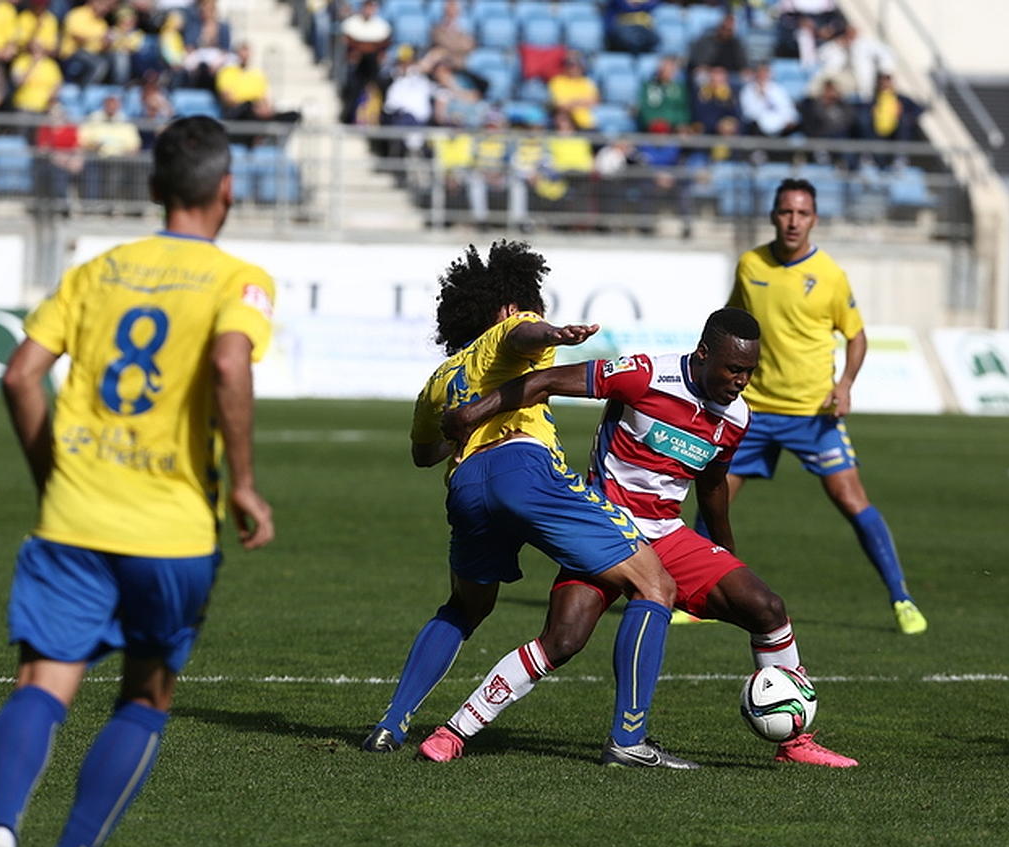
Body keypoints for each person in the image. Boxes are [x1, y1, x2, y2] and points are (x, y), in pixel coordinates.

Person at [0, 115, 276, 847]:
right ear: (226, 191)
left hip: (74, 517)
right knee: (145, 694)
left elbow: (17, 375)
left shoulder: (98, 270)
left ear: (153, 189)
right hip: (169, 529)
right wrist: (241, 481)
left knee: (42, 682)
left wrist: (51, 474)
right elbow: (231, 360)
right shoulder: (238, 279)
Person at [416, 308, 859, 768]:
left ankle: (794, 741)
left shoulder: (737, 416)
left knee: (766, 608)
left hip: (667, 534)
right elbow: (543, 381)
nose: (741, 381)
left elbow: (711, 485)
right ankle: (455, 731)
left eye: (749, 371)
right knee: (563, 640)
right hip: (602, 527)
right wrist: (474, 411)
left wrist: (725, 553)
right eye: (733, 369)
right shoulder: (643, 375)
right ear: (703, 354)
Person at [361, 241, 694, 769]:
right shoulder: (510, 328)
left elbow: (425, 454)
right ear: (506, 305)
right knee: (655, 585)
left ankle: (391, 722)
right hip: (525, 471)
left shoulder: (440, 378)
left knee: (465, 607)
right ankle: (630, 740)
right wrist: (556, 335)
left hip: (467, 487)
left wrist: (461, 424)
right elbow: (526, 333)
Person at [722, 178, 926, 635]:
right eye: (785, 212)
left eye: (802, 213)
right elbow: (734, 322)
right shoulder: (750, 264)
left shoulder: (831, 276)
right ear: (774, 215)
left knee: (852, 501)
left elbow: (856, 335)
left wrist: (846, 384)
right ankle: (695, 598)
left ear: (814, 219)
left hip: (813, 412)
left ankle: (902, 599)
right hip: (753, 410)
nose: (793, 221)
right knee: (716, 500)